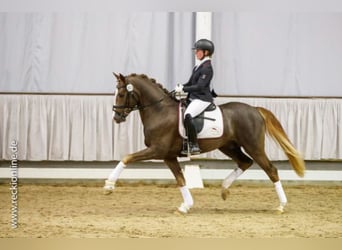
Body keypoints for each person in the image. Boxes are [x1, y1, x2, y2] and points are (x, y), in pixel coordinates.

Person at [175, 39, 216, 155]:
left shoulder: (207, 68)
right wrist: (181, 86)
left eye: (198, 51)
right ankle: (183, 143)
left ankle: (194, 145)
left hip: (202, 98)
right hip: (194, 97)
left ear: (206, 52)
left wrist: (184, 89)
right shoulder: (198, 67)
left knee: (188, 115)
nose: (195, 53)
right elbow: (190, 83)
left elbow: (199, 86)